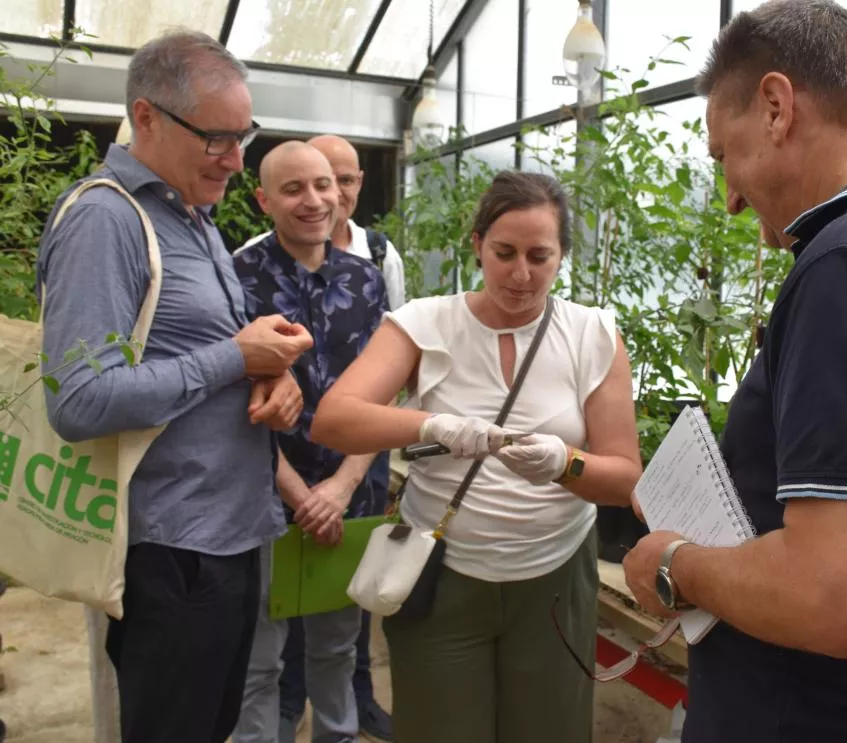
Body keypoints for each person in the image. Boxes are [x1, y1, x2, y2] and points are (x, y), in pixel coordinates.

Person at [621, 2, 847, 742]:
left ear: (777, 106)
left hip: (814, 714)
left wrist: (677, 564)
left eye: (723, 155)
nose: (727, 197)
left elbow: (836, 596)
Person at [36, 30, 313, 743]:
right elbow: (79, 400)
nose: (235, 156)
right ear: (147, 116)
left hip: (227, 537)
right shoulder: (107, 219)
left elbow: (213, 359)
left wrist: (274, 383)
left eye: (243, 134)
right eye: (216, 137)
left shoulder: (192, 216)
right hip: (169, 554)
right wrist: (233, 357)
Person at [311, 171, 642, 743]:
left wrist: (567, 463)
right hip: (443, 577)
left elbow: (624, 478)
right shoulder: (425, 323)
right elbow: (335, 419)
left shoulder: (591, 335)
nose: (520, 274)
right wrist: (433, 423)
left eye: (540, 256)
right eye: (504, 252)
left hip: (555, 578)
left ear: (563, 255)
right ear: (477, 244)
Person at [245, 133, 403, 741]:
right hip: (263, 495)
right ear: (264, 201)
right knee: (261, 661)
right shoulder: (239, 278)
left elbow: (384, 392)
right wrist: (298, 495)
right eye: (293, 189)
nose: (314, 200)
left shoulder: (367, 280)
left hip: (349, 495)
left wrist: (341, 484)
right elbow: (235, 403)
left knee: (338, 648)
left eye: (324, 185)